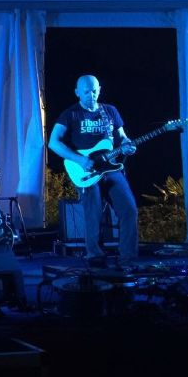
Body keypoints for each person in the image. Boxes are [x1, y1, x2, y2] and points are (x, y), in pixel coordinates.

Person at [48, 75, 138, 269]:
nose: (91, 95)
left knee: (129, 210)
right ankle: (95, 257)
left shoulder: (110, 111)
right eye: (87, 91)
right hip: (86, 170)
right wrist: (80, 159)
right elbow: (53, 142)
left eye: (94, 91)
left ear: (100, 90)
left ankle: (127, 259)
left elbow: (122, 137)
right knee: (93, 214)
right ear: (77, 92)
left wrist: (127, 144)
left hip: (111, 169)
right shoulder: (70, 114)